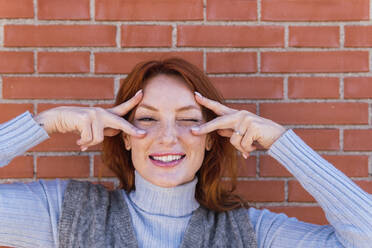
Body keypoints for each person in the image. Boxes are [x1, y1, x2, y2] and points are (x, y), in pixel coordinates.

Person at [0, 58, 371, 248]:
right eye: (146, 119)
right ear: (125, 137)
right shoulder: (69, 215)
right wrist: (48, 122)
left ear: (211, 136)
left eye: (187, 120)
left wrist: (280, 141)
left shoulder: (250, 233)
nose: (167, 137)